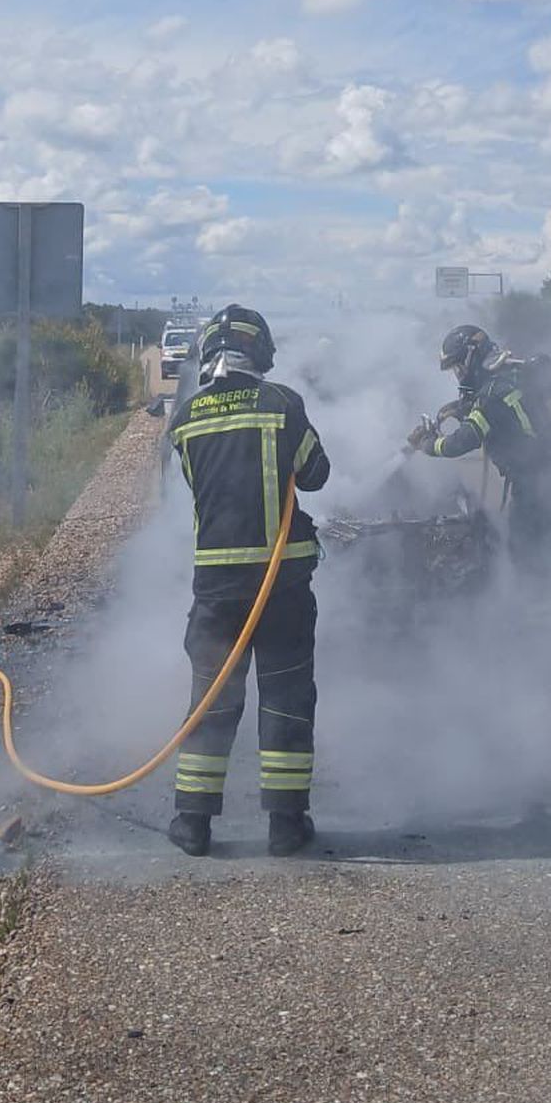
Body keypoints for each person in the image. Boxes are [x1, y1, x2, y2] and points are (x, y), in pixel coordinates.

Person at [166, 303, 331, 858]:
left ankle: (192, 825)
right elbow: (315, 474)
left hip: (215, 588)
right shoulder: (282, 403)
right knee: (284, 696)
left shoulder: (184, 419)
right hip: (281, 585)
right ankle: (285, 826)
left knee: (212, 699)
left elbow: (201, 487)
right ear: (260, 352)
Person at [408, 323, 551, 585]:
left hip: (532, 484)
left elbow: (461, 442)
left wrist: (428, 444)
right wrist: (460, 408)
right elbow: (509, 410)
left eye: (459, 367)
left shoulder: (490, 396)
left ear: (472, 356)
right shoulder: (515, 371)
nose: (459, 375)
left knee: (524, 551)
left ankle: (540, 613)